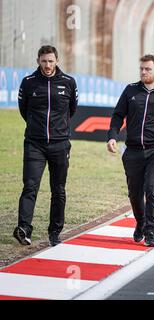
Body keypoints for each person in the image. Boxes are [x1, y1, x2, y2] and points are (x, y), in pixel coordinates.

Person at [108, 54, 154, 247]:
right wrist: (112, 136)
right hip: (132, 151)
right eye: (141, 68)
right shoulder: (130, 90)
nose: (143, 72)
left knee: (152, 189)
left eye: (147, 69)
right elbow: (117, 116)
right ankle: (140, 222)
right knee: (134, 193)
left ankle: (150, 232)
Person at [14, 45, 78, 247]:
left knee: (58, 189)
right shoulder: (28, 83)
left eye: (51, 61)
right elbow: (23, 110)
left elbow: (71, 110)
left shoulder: (68, 82)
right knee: (30, 186)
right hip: (34, 143)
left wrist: (59, 130)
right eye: (44, 61)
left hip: (60, 144)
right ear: (38, 61)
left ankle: (54, 232)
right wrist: (37, 128)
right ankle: (24, 228)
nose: (47, 65)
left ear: (57, 61)